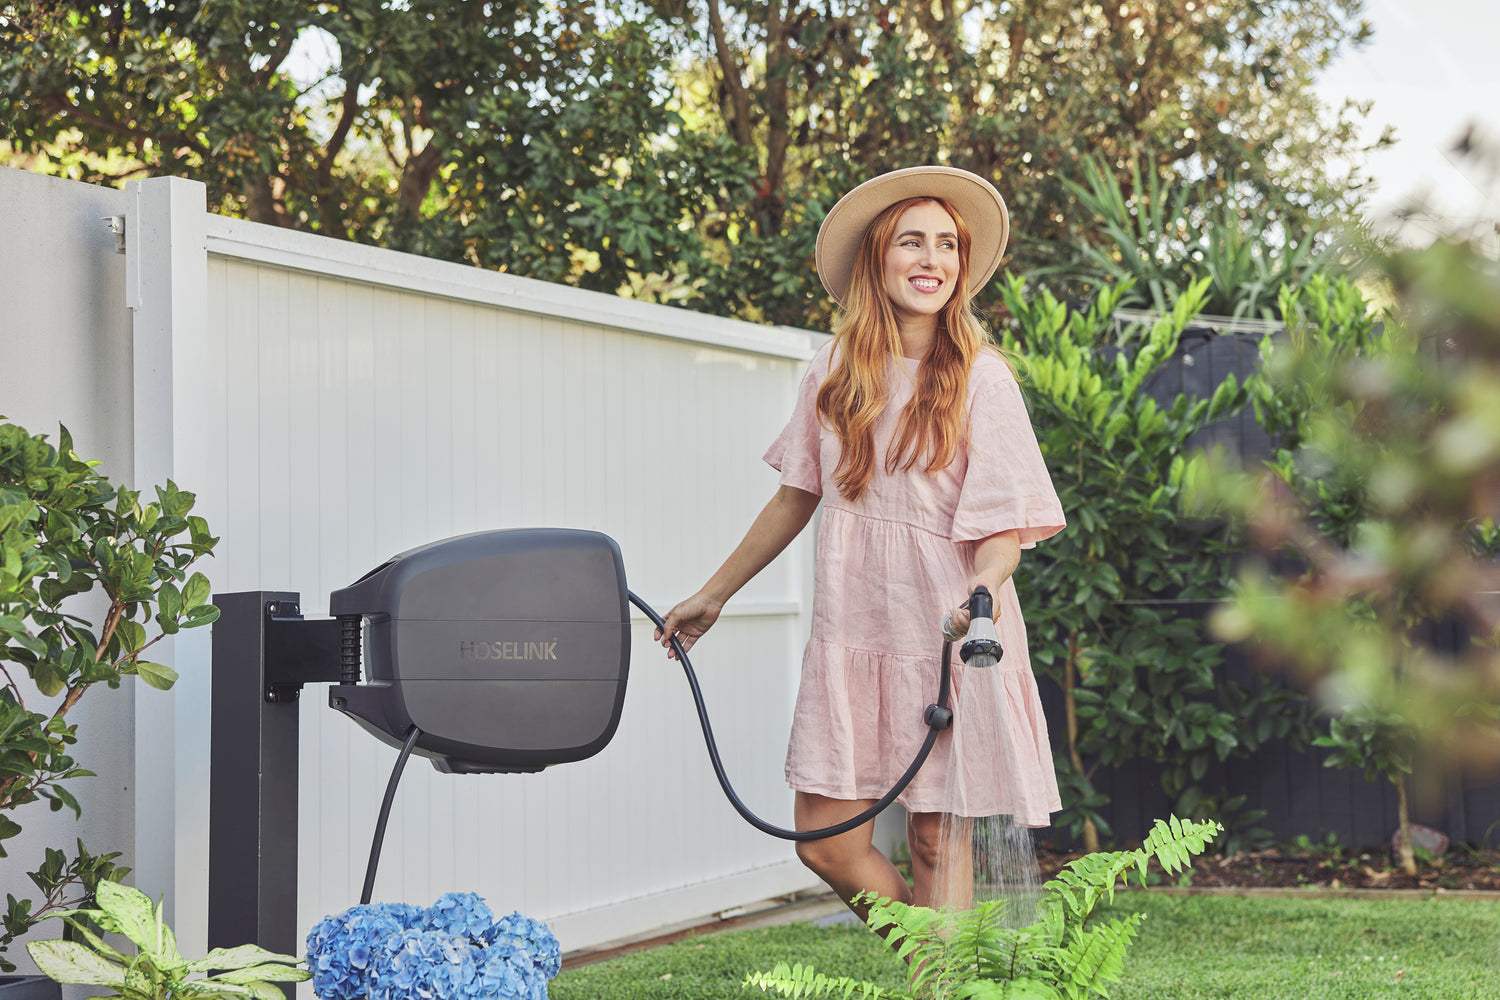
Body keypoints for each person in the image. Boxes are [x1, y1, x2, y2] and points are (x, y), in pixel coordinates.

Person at [656, 165, 1065, 919]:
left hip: (949, 633)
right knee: (827, 843)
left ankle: (939, 985)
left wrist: (979, 598)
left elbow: (1003, 536)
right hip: (857, 631)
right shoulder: (836, 371)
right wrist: (713, 594)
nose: (931, 259)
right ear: (879, 257)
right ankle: (942, 968)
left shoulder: (982, 378)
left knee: (939, 842)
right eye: (913, 241)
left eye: (947, 245)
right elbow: (796, 496)